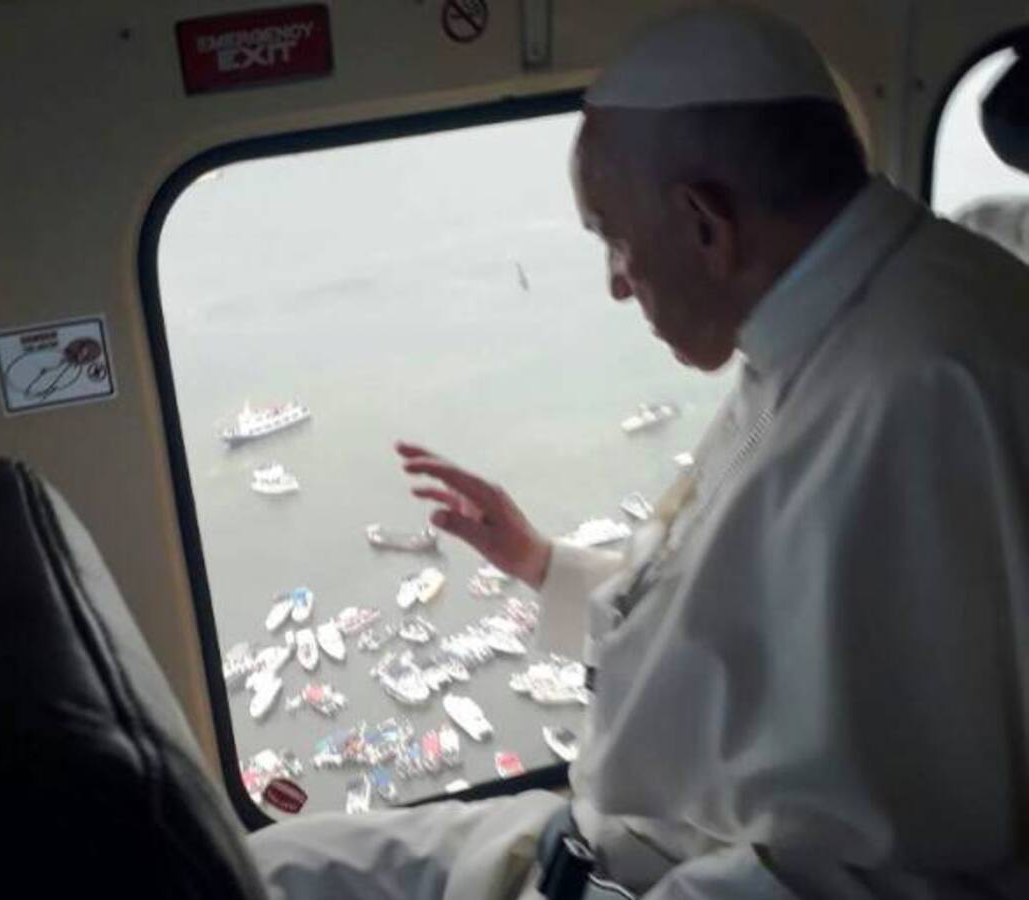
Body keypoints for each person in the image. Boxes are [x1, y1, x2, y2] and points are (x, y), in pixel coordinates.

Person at [249, 7, 1029, 898]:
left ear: (706, 224)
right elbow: (739, 651)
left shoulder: (923, 392)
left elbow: (904, 864)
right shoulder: (829, 333)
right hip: (588, 841)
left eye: (614, 242)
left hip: (639, 875)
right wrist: (542, 565)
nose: (618, 284)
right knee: (247, 867)